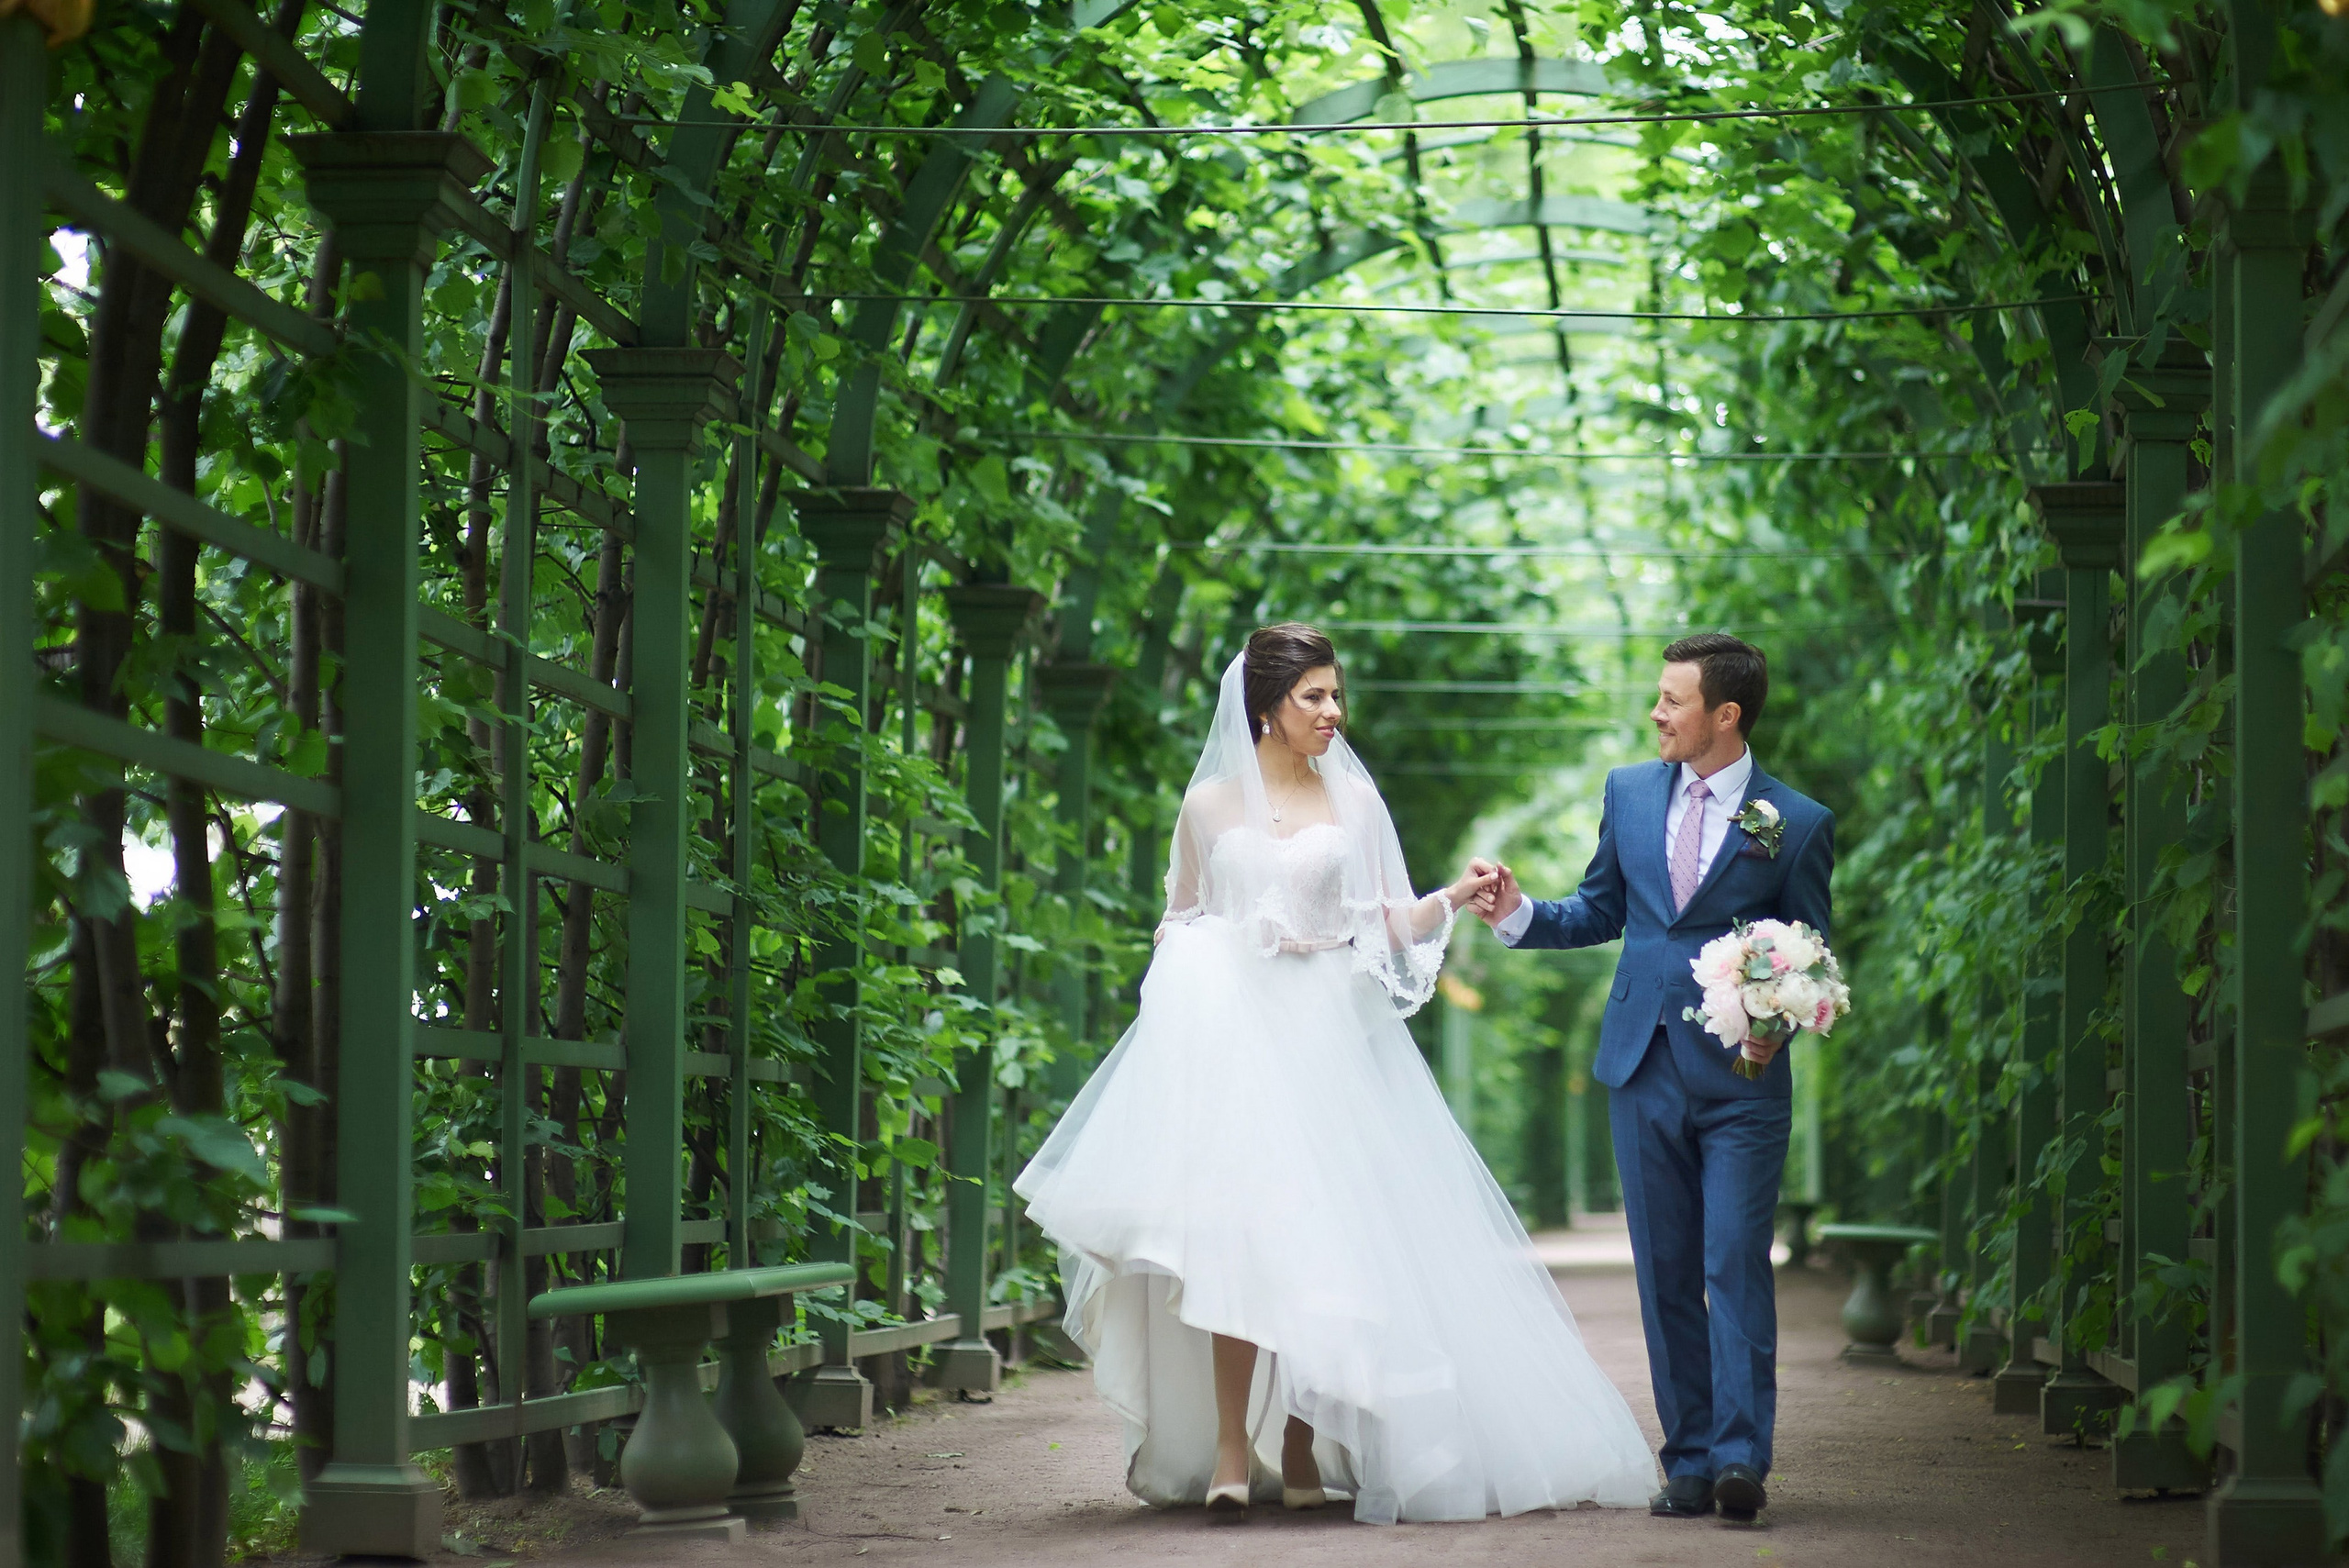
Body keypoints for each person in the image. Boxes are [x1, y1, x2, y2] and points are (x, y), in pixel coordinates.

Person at [1014, 623, 1657, 1524]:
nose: (1332, 711)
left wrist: (1450, 899)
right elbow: (1179, 916)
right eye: (1313, 695)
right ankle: (1232, 1445)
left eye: (1334, 693)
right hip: (1232, 1048)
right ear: (1267, 707)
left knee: (1321, 1243)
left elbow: (1380, 919)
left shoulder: (1352, 804)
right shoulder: (1205, 805)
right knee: (1231, 1240)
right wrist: (1209, 953)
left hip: (1321, 1044)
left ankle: (1303, 1440)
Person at [1467, 632, 1833, 1526]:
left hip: (1742, 1081)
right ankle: (1690, 1457)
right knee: (1665, 1268)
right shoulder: (1628, 792)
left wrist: (1767, 1029)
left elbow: (1813, 955)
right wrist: (1518, 911)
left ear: (1725, 714)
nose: (1655, 713)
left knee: (1731, 1260)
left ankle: (1743, 1457)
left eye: (1671, 700)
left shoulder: (1796, 821)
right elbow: (1600, 906)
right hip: (1638, 1066)